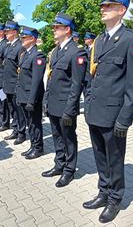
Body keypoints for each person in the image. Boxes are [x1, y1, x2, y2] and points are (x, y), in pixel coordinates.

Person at [83, 0, 133, 223]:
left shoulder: (131, 40)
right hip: (95, 112)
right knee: (100, 156)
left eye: (108, 6)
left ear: (121, 10)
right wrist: (88, 103)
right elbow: (93, 77)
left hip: (114, 115)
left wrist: (125, 119)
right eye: (103, 6)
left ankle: (115, 199)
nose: (103, 9)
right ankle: (103, 191)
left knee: (115, 159)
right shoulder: (99, 40)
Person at [42, 13, 88, 187]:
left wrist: (70, 109)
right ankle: (59, 164)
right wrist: (46, 101)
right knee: (56, 136)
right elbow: (51, 78)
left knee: (68, 138)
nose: (53, 30)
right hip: (54, 103)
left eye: (57, 27)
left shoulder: (77, 52)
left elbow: (77, 85)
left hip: (66, 106)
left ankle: (69, 170)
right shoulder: (56, 52)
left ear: (67, 29)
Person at [16, 26, 46, 159]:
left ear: (32, 39)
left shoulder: (38, 55)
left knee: (35, 123)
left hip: (31, 97)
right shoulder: (25, 54)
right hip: (23, 95)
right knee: (29, 123)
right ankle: (33, 145)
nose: (22, 39)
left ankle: (38, 148)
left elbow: (36, 80)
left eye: (24, 37)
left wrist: (31, 100)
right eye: (21, 37)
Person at [3, 21, 26, 143]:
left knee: (19, 111)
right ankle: (15, 129)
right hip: (7, 84)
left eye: (8, 31)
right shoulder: (9, 46)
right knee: (12, 110)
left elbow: (20, 68)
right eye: (5, 31)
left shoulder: (20, 47)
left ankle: (21, 133)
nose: (5, 33)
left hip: (15, 85)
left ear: (15, 32)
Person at [83, 32, 96, 100]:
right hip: (84, 74)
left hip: (91, 74)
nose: (85, 40)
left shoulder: (95, 49)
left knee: (89, 93)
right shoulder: (84, 49)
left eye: (86, 38)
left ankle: (87, 110)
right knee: (85, 93)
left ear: (91, 40)